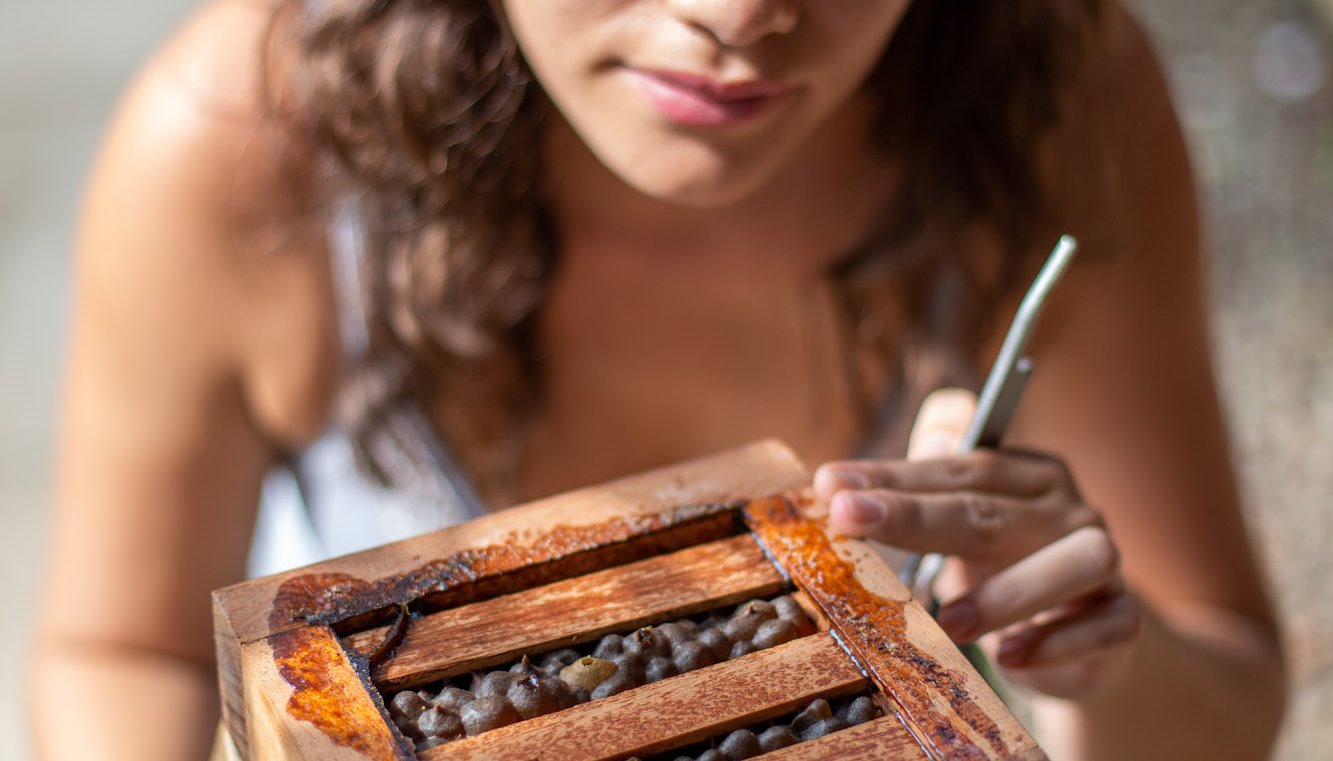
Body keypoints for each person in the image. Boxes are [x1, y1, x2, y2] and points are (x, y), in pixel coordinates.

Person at [31, 0, 1286, 759]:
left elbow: (1228, 696)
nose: (737, 18)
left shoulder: (1056, 102)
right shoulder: (247, 146)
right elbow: (117, 649)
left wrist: (1098, 666)